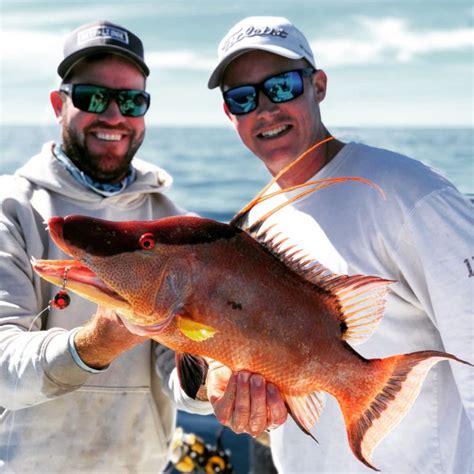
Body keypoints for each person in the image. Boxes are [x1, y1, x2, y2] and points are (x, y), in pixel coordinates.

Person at [207, 16, 473, 473]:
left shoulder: (409, 193)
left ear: (319, 85)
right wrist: (216, 374)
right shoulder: (251, 224)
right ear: (230, 114)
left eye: (283, 85)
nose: (266, 108)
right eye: (244, 97)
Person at [0, 20, 221, 472]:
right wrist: (95, 343)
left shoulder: (173, 218)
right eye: (93, 97)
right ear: (58, 104)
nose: (114, 115)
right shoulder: (12, 208)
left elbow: (184, 385)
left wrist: (212, 380)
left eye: (132, 100)